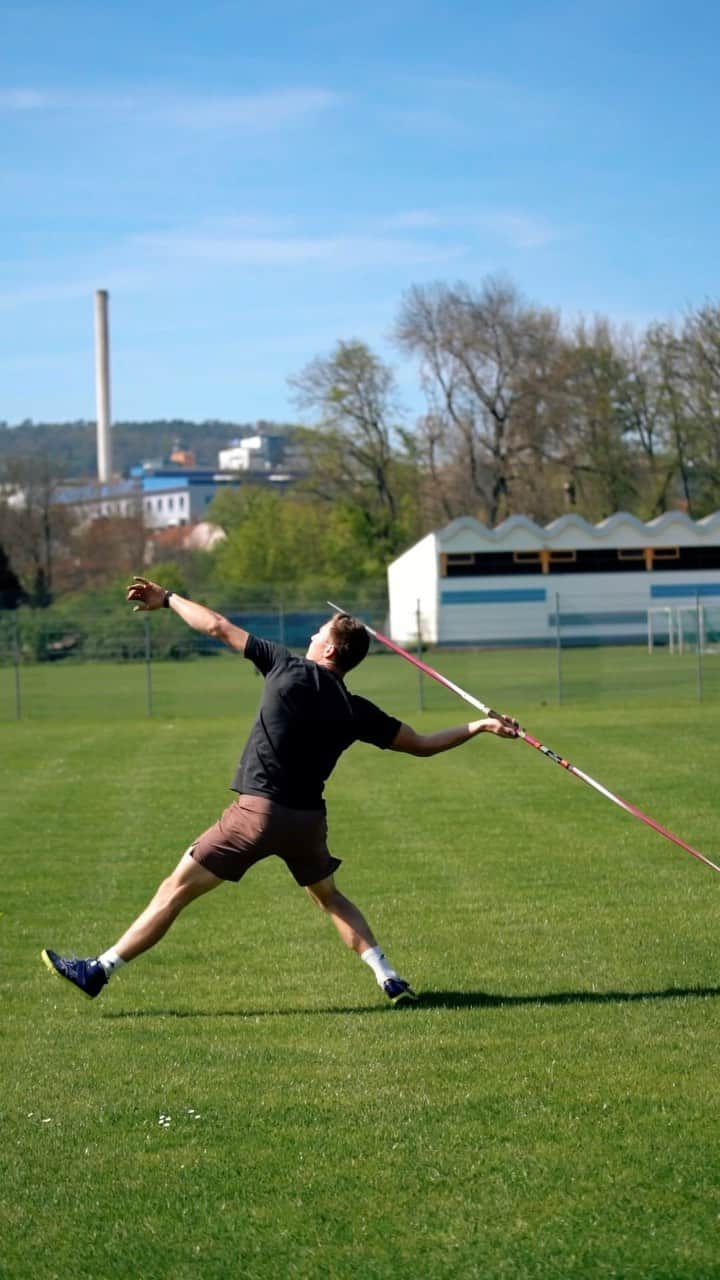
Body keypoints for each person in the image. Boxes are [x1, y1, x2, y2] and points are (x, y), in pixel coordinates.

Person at [42, 578, 518, 1006]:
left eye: (320, 632)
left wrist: (167, 599)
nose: (311, 635)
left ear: (331, 651)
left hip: (255, 816)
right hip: (306, 824)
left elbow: (216, 627)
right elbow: (423, 745)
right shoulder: (356, 710)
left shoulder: (284, 667)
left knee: (174, 892)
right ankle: (388, 977)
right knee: (329, 896)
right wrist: (479, 725)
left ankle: (98, 971)